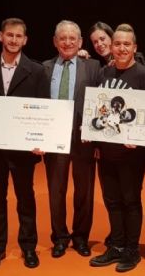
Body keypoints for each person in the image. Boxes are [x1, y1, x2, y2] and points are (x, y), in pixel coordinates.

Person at [0, 18, 49, 270]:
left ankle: (28, 247)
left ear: (25, 40)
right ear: (1, 36)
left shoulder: (37, 71)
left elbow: (44, 108)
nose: (14, 40)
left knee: (25, 198)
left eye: (19, 36)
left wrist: (40, 140)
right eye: (10, 35)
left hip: (23, 149)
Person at [89, 24, 145, 273]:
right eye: (117, 44)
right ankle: (117, 246)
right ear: (112, 46)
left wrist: (140, 139)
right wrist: (93, 138)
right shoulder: (104, 73)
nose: (121, 48)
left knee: (130, 200)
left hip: (133, 154)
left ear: (134, 47)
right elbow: (97, 109)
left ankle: (132, 249)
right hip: (107, 151)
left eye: (126, 44)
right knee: (112, 200)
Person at [42, 20, 101, 258]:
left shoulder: (93, 66)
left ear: (80, 42)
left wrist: (97, 139)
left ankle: (80, 237)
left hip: (83, 138)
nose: (67, 42)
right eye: (62, 38)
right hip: (54, 137)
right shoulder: (44, 68)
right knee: (56, 190)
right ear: (55, 42)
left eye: (72, 38)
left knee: (84, 190)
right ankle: (59, 237)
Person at [81, 21, 145, 66]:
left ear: (111, 38)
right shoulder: (97, 64)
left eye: (102, 39)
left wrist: (121, 64)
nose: (99, 44)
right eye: (95, 42)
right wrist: (80, 57)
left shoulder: (135, 58)